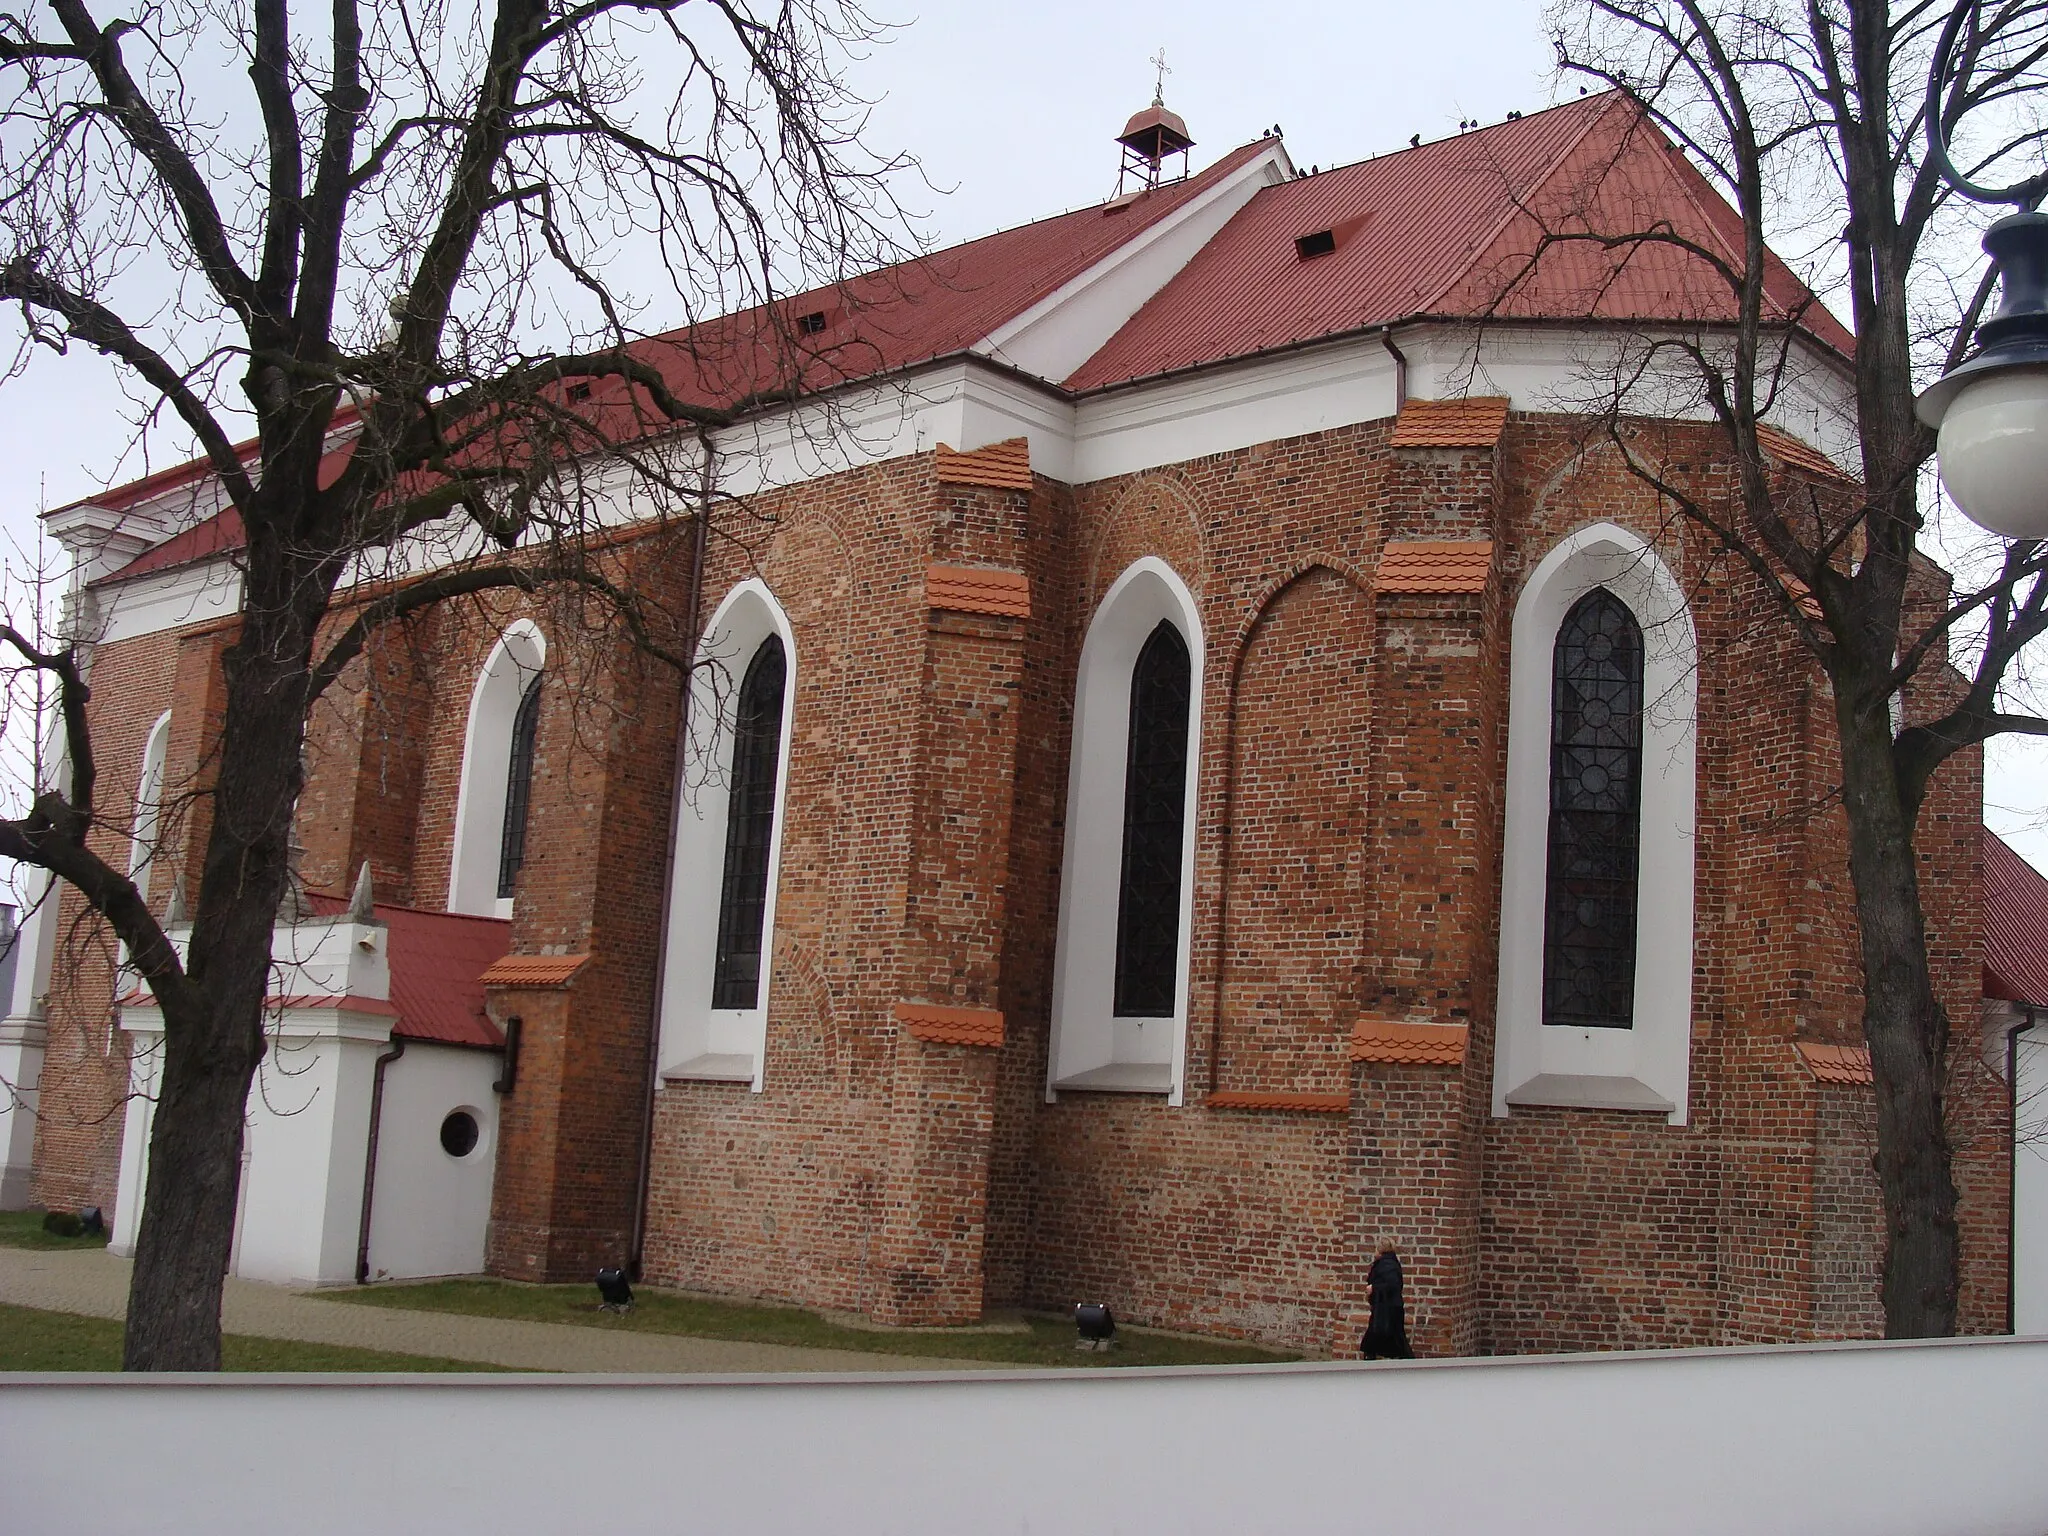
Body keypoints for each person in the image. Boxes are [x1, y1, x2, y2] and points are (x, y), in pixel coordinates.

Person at [1359, 1240, 1413, 1360]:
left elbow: (1391, 1284)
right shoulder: (1389, 1263)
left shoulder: (1387, 1265)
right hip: (1385, 1307)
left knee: (1385, 1336)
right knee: (1392, 1336)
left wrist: (1374, 1288)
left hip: (1387, 1308)